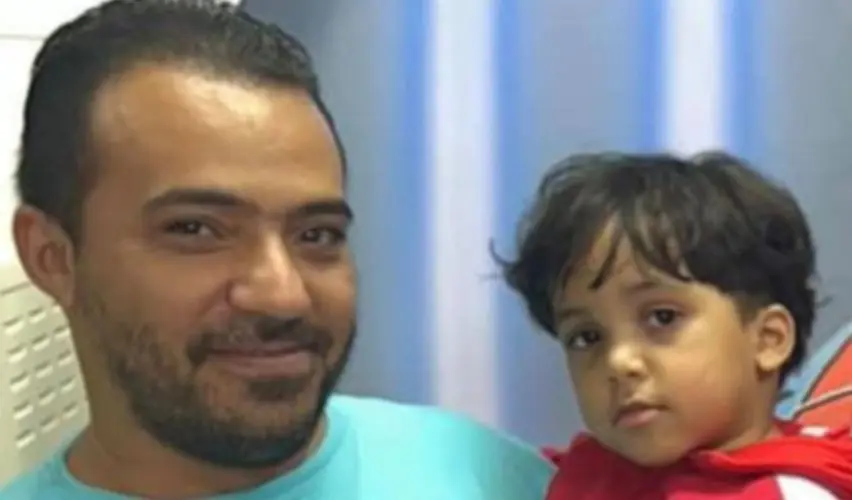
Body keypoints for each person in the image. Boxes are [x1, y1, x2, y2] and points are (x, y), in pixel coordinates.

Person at [0, 1, 554, 498]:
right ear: (53, 257)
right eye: (195, 229)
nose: (283, 296)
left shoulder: (486, 475)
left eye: (317, 235)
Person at [497, 152, 852, 499]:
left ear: (767, 340)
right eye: (586, 337)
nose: (619, 362)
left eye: (662, 317)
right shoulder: (587, 472)